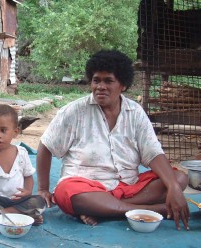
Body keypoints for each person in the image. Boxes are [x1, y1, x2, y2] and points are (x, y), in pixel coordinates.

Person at [36, 49, 190, 230]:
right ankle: (154, 210)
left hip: (128, 188)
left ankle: (106, 210)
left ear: (123, 85)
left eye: (108, 81)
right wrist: (43, 189)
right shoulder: (74, 111)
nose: (100, 86)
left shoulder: (135, 112)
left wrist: (172, 186)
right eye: (96, 80)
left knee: (179, 178)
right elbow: (46, 146)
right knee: (65, 192)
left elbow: (154, 153)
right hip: (85, 187)